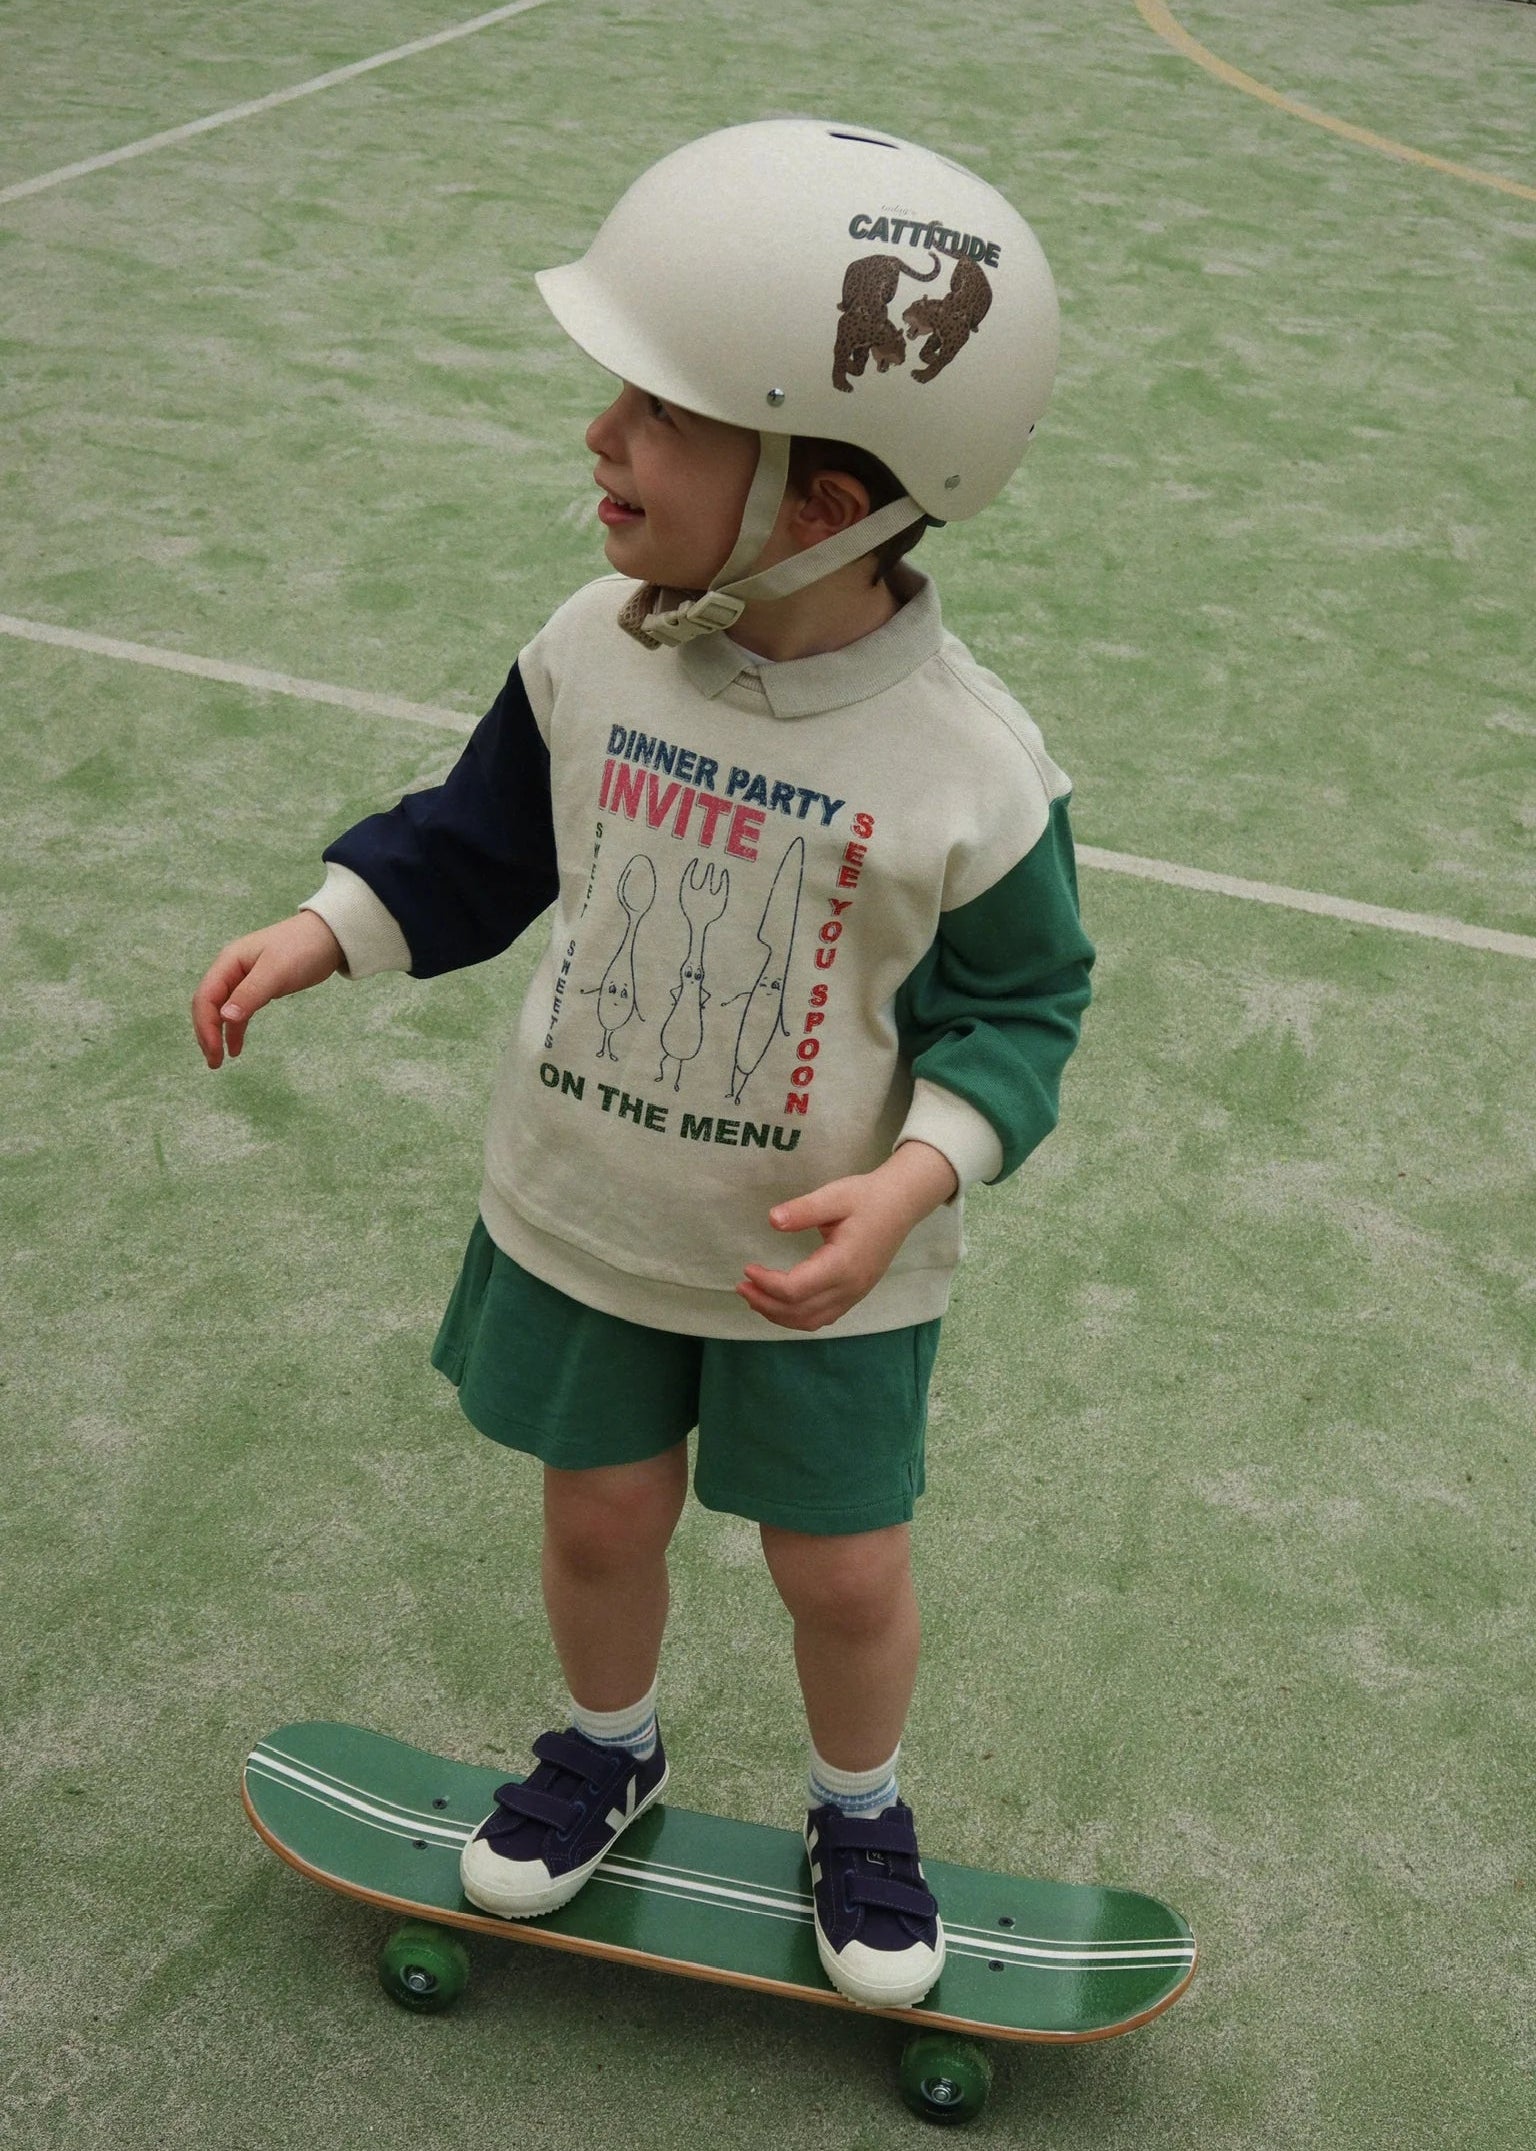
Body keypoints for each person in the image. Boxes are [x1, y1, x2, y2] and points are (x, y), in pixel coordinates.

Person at [191, 120, 1095, 2011]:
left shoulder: (976, 771)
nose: (602, 437)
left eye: (661, 412)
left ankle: (864, 1808)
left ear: (831, 488)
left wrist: (916, 1178)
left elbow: (1020, 1016)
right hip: (588, 1212)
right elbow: (480, 841)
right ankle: (608, 1748)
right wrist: (331, 925)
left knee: (837, 1573)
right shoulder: (589, 653)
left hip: (820, 1272)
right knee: (598, 1515)